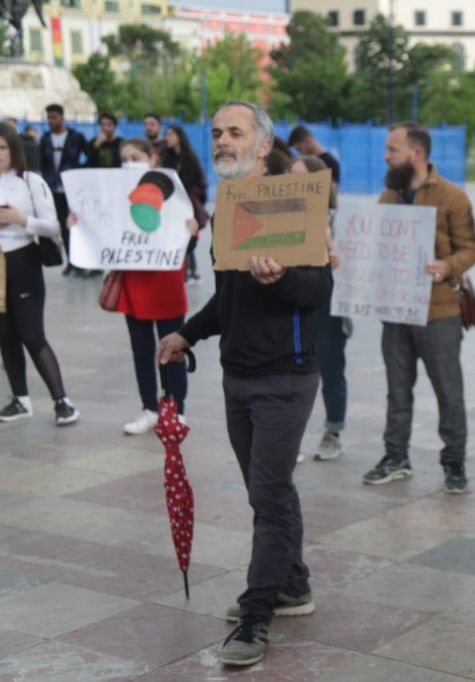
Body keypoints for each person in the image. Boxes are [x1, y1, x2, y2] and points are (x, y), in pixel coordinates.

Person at [157, 100, 332, 667]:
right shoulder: (226, 209)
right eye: (216, 133)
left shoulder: (295, 204)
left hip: (287, 377)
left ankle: (257, 616)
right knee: (271, 490)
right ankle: (294, 585)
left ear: (263, 145)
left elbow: (316, 292)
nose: (222, 141)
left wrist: (280, 278)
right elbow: (228, 299)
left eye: (235, 132)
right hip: (239, 377)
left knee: (269, 493)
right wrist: (187, 334)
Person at [363, 122, 475, 493]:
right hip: (396, 308)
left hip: (439, 310)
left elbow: (469, 248)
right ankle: (395, 455)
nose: (386, 156)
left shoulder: (451, 197)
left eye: (391, 149)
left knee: (448, 389)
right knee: (397, 390)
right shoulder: (388, 198)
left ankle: (454, 462)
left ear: (415, 153)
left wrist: (448, 266)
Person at [70, 139, 196, 435]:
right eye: (124, 158)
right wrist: (78, 222)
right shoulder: (116, 197)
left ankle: (177, 409)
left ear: (151, 158)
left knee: (172, 350)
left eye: (135, 156)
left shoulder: (174, 191)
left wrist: (192, 229)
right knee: (141, 351)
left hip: (165, 281)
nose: (129, 162)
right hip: (134, 283)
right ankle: (150, 409)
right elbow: (98, 224)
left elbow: (195, 222)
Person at [0, 123, 80, 426]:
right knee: (4, 335)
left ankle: (62, 400)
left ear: (13, 149)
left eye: (2, 148)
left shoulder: (29, 181)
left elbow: (53, 226)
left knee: (31, 334)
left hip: (23, 261)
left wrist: (19, 219)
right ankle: (20, 399)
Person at [290, 153, 352, 463]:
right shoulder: (285, 215)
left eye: (301, 176)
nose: (294, 182)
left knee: (330, 367)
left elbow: (358, 260)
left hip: (331, 303)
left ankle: (333, 430)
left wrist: (339, 257)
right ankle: (288, 435)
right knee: (292, 367)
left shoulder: (338, 219)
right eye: (291, 175)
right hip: (298, 300)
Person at [39, 103, 87, 276]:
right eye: (49, 117)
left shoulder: (76, 137)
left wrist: (78, 173)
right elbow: (43, 163)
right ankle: (71, 261)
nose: (51, 121)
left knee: (78, 223)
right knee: (62, 225)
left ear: (62, 117)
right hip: (54, 188)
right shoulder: (45, 139)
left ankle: (83, 261)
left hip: (73, 188)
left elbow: (88, 157)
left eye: (54, 117)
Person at [159, 125, 209, 284]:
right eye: (166, 134)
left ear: (179, 137)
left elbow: (200, 183)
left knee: (188, 237)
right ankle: (186, 272)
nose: (168, 137)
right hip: (170, 206)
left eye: (171, 134)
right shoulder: (167, 158)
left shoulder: (190, 158)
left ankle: (191, 272)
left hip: (187, 206)